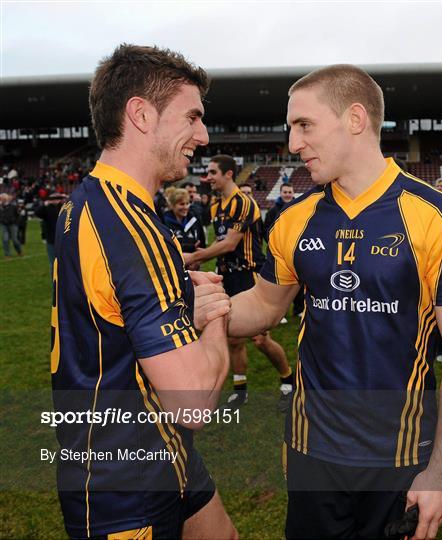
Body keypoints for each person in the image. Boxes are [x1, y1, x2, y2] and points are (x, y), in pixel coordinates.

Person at [224, 64, 442, 539]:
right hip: (311, 449)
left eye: (304, 125)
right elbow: (264, 305)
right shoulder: (294, 218)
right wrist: (196, 309)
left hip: (399, 454)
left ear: (356, 119)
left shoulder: (435, 215)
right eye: (291, 129)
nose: (294, 143)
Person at [51, 44, 236, 539]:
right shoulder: (132, 229)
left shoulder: (88, 202)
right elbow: (194, 404)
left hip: (155, 447)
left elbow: (112, 322)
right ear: (141, 114)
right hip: (125, 479)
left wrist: (182, 309)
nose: (203, 134)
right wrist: (214, 315)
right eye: (192, 116)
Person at [185, 155, 294, 412]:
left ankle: (288, 381)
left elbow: (230, 243)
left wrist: (194, 256)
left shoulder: (243, 203)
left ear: (229, 174)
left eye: (212, 172)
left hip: (249, 276)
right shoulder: (214, 206)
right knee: (233, 338)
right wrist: (201, 259)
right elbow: (219, 244)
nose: (207, 177)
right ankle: (240, 390)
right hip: (227, 275)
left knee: (261, 339)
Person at [263, 183, 304, 318]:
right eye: (285, 192)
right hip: (279, 254)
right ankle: (281, 314)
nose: (287, 194)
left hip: (296, 252)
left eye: (289, 192)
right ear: (280, 193)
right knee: (279, 285)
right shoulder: (272, 212)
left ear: (293, 193)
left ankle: (298, 310)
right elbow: (266, 231)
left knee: (298, 283)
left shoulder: (299, 209)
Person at [163, 186, 206, 254]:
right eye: (181, 204)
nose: (185, 207)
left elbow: (202, 243)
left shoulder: (194, 219)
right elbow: (166, 246)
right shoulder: (164, 222)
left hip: (194, 261)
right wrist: (191, 247)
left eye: (187, 203)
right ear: (172, 205)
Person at [34, 192, 67, 275]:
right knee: (54, 263)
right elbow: (37, 213)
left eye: (57, 198)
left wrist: (64, 200)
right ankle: (55, 285)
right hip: (52, 240)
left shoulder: (64, 207)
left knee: (66, 263)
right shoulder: (47, 209)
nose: (55, 200)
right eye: (53, 198)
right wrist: (46, 204)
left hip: (65, 239)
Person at [0, 193, 23, 257]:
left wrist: (16, 222)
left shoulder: (13, 206)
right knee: (5, 239)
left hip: (13, 224)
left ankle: (19, 251)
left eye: (1, 198)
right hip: (4, 224)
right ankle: (7, 254)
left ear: (5, 199)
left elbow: (18, 215)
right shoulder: (1, 207)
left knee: (14, 239)